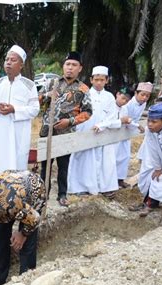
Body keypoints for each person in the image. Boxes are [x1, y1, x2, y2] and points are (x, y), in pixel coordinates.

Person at [39, 52, 92, 207]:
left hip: (66, 133)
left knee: (63, 166)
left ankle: (62, 194)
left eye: (74, 65)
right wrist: (47, 95)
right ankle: (43, 194)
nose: (70, 68)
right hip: (46, 132)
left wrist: (70, 121)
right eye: (68, 64)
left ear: (80, 68)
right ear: (64, 66)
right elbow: (36, 100)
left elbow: (88, 112)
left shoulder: (83, 89)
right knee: (45, 166)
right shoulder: (51, 83)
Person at [0, 46, 39, 182]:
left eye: (13, 60)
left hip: (18, 134)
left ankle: (15, 196)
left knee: (16, 164)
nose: (8, 62)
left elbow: (35, 109)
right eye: (7, 59)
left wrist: (15, 109)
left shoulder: (29, 85)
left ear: (21, 65)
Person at [67, 66, 118, 197]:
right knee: (84, 159)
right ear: (91, 80)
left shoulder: (110, 97)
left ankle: (104, 187)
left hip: (104, 133)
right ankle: (80, 187)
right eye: (96, 79)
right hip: (85, 131)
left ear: (106, 80)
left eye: (102, 79)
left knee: (104, 160)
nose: (99, 82)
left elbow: (113, 116)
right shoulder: (84, 94)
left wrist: (102, 125)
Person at [116, 82, 152, 188]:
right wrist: (137, 126)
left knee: (125, 156)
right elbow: (125, 119)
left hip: (128, 132)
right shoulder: (128, 103)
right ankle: (112, 180)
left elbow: (136, 118)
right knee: (116, 156)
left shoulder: (143, 104)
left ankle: (120, 179)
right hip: (119, 131)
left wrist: (135, 126)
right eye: (142, 94)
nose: (145, 97)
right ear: (136, 93)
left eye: (147, 95)